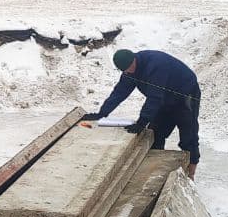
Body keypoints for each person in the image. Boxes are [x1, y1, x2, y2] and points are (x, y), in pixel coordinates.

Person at [83, 48, 201, 179]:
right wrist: (102, 113)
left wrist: (142, 121)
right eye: (125, 71)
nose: (128, 72)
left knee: (188, 137)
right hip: (164, 99)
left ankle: (191, 174)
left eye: (129, 68)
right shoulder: (129, 70)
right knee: (155, 134)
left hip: (185, 96)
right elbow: (120, 92)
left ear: (134, 59)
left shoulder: (155, 65)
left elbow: (154, 97)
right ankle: (155, 173)